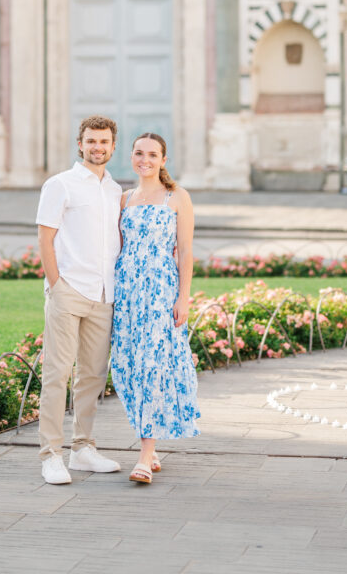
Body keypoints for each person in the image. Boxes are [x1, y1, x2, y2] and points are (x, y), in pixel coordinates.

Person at [36, 115, 123, 485]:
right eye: (91, 141)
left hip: (104, 293)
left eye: (104, 142)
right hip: (69, 290)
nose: (97, 147)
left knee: (92, 376)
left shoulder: (116, 190)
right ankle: (50, 455)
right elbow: (45, 239)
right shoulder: (60, 185)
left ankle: (82, 449)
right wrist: (56, 285)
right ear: (80, 143)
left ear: (113, 146)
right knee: (57, 374)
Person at [111, 132, 200, 484]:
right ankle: (151, 442)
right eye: (138, 153)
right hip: (127, 294)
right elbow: (116, 249)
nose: (144, 159)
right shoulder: (123, 199)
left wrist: (184, 297)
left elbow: (186, 252)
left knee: (153, 365)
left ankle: (145, 455)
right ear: (131, 157)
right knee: (130, 367)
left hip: (161, 293)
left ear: (164, 159)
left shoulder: (176, 197)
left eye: (152, 154)